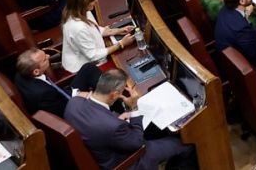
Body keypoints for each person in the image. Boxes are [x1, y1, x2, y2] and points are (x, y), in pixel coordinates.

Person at [64, 69, 199, 170]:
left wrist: (117, 119)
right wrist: (134, 108)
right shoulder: (113, 127)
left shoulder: (73, 103)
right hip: (125, 162)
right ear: (115, 95)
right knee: (185, 144)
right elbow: (138, 142)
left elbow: (97, 119)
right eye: (123, 91)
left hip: (101, 148)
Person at [60, 0, 135, 74]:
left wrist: (117, 31)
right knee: (126, 69)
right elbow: (93, 55)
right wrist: (121, 44)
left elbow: (94, 29)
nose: (96, 0)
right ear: (84, 3)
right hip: (81, 69)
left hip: (89, 58)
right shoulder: (78, 28)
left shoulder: (80, 11)